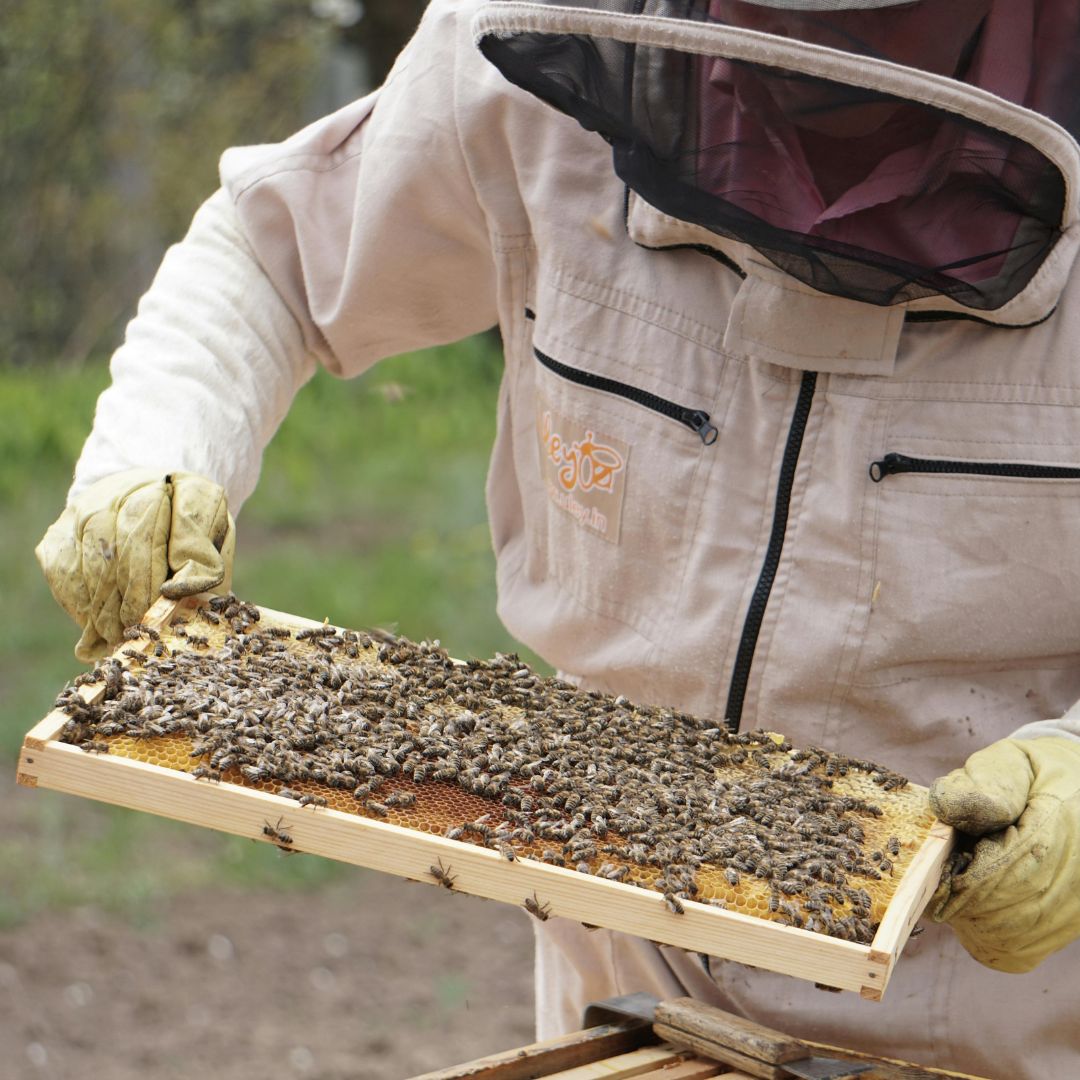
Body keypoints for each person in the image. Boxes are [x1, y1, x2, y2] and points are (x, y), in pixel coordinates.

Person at [35, 2, 1080, 1075]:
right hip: (618, 999)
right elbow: (273, 254)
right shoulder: (524, 53)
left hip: (1003, 1023)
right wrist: (152, 455)